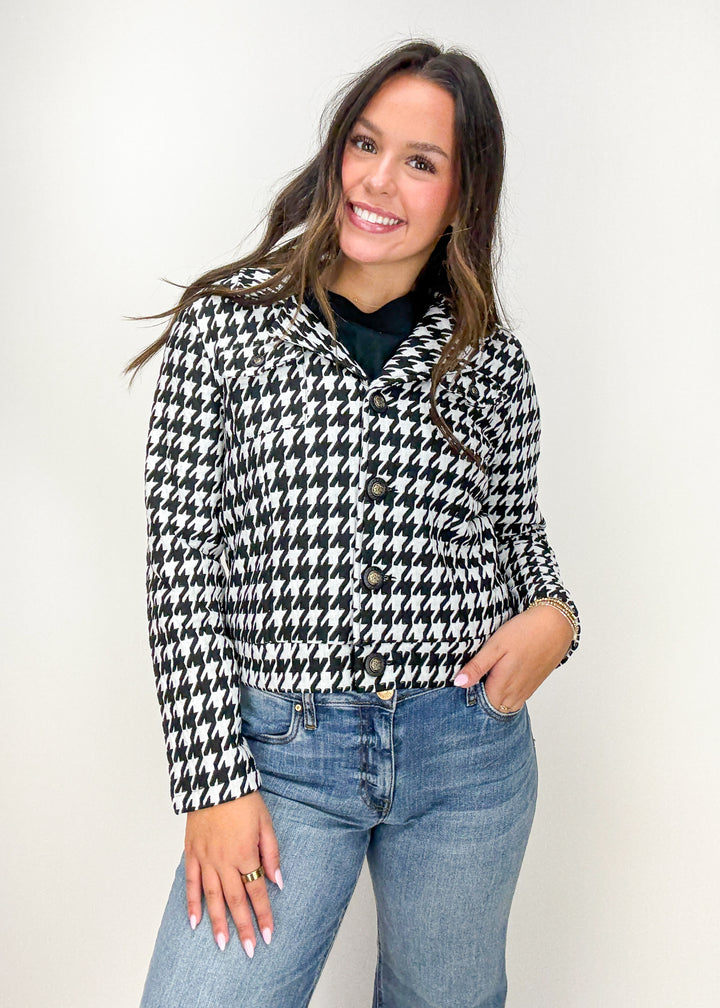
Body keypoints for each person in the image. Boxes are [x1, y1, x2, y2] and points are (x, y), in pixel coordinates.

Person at [126, 38, 581, 1008]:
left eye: (421, 162)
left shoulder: (490, 361)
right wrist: (211, 780)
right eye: (366, 144)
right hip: (284, 751)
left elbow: (517, 538)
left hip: (466, 751)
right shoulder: (227, 330)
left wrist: (559, 618)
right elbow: (179, 567)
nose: (378, 180)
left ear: (463, 194)